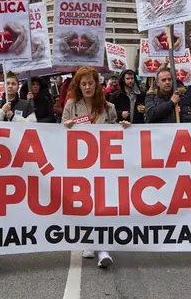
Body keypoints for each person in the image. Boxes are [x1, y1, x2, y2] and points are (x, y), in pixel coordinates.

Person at [61, 67, 130, 268]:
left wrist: (123, 126)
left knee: (103, 203)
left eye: (91, 83)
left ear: (97, 84)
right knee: (85, 203)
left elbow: (115, 133)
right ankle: (88, 240)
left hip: (103, 163)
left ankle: (103, 247)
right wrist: (65, 126)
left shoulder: (108, 107)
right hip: (80, 163)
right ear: (78, 86)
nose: (88, 87)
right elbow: (59, 132)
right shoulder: (71, 106)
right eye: (84, 84)